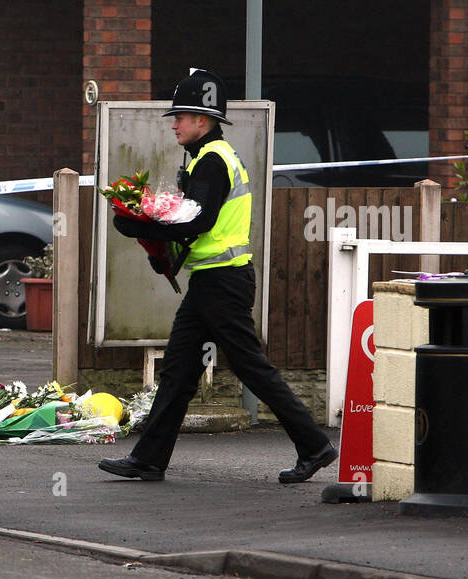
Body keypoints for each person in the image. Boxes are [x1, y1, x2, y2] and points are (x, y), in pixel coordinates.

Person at [98, 69, 337, 484]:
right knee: (178, 372)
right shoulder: (213, 158)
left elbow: (198, 222)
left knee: (252, 368)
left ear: (202, 121)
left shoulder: (212, 162)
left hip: (222, 283)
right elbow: (194, 225)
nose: (174, 124)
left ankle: (315, 445)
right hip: (213, 281)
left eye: (181, 117)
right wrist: (160, 248)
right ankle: (149, 459)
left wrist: (142, 228)